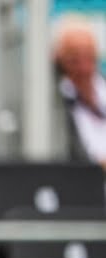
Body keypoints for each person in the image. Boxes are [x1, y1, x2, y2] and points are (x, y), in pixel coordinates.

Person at [52, 14, 106, 166]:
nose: (84, 68)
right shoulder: (56, 107)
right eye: (74, 60)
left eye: (89, 57)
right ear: (60, 62)